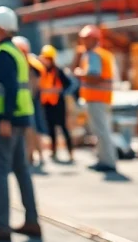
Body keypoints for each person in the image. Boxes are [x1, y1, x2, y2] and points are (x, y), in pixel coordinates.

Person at [0, 6, 40, 242]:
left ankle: (2, 226)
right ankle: (32, 221)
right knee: (21, 170)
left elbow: (10, 88)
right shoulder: (11, 51)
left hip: (7, 121)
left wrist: (5, 119)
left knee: (0, 171)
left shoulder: (3, 53)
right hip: (20, 118)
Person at [72, 25, 118, 173]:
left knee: (101, 131)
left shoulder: (94, 55)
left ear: (94, 39)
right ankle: (103, 159)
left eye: (86, 39)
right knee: (102, 130)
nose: (83, 42)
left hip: (97, 98)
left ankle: (107, 162)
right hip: (101, 98)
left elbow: (94, 76)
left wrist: (80, 73)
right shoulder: (101, 54)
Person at [13, 36, 47, 168]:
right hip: (26, 101)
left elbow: (35, 86)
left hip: (31, 101)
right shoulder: (26, 63)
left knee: (32, 129)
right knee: (30, 129)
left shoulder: (32, 65)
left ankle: (33, 155)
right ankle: (32, 155)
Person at [38, 45, 75, 163]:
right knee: (50, 128)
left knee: (63, 127)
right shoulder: (42, 71)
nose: (45, 60)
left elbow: (69, 84)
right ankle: (53, 151)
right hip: (47, 103)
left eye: (48, 58)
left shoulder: (58, 71)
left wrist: (59, 91)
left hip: (58, 103)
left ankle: (70, 152)